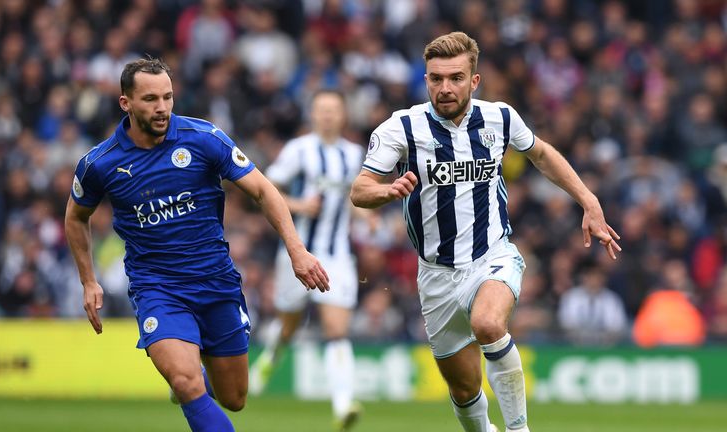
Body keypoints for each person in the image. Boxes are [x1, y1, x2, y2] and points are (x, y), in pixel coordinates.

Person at [350, 32, 621, 432]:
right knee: (464, 392)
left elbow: (541, 154)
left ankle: (519, 429)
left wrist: (588, 200)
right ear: (425, 80)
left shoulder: (500, 118)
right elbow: (360, 190)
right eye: (436, 78)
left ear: (474, 81)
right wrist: (386, 191)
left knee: (489, 325)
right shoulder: (402, 128)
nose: (445, 87)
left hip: (492, 254)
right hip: (437, 276)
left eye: (455, 78)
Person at [64, 58, 329, 432]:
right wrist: (89, 280)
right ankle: (185, 379)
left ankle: (192, 378)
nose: (162, 108)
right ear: (126, 103)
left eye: (168, 97)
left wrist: (296, 250)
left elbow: (263, 190)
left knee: (234, 398)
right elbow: (76, 217)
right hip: (158, 287)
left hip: (215, 281)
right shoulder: (100, 164)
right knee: (186, 382)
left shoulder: (203, 138)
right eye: (151, 99)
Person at [250, 89, 364, 431]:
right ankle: (271, 355)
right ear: (313, 115)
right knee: (289, 324)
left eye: (333, 110)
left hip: (338, 255)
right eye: (321, 110)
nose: (327, 115)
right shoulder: (299, 150)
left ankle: (343, 404)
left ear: (343, 115)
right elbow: (266, 189)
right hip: (297, 254)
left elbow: (355, 198)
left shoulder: (355, 154)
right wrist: (300, 206)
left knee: (336, 328)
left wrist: (367, 215)